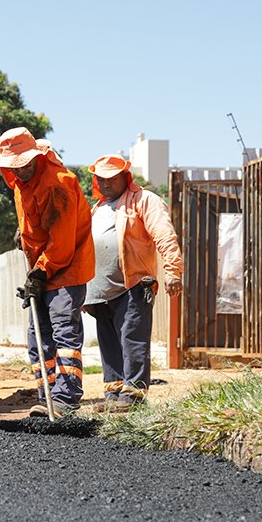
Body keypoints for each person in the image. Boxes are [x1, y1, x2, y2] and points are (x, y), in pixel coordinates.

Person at [0, 128, 94, 417]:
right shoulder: (20, 184)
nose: (20, 169)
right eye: (14, 165)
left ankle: (65, 399)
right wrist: (22, 235)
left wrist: (39, 274)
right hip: (42, 270)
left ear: (36, 157)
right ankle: (47, 398)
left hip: (66, 269)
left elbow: (61, 244)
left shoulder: (57, 183)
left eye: (24, 162)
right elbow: (34, 221)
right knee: (38, 338)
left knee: (63, 335)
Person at [84, 154, 183, 410]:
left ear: (124, 178)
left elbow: (163, 234)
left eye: (112, 178)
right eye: (100, 179)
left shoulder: (144, 200)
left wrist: (173, 270)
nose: (105, 183)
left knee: (132, 339)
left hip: (133, 285)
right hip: (100, 290)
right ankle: (114, 396)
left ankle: (133, 396)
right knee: (109, 344)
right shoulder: (97, 209)